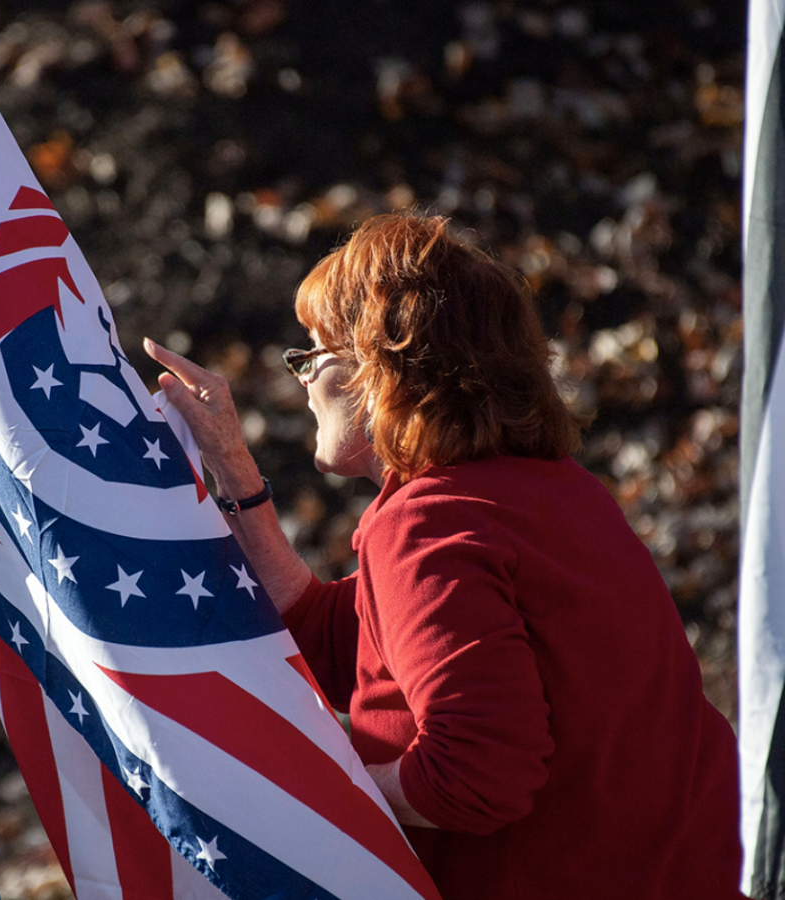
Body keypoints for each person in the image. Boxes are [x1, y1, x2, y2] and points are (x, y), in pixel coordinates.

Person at [145, 213, 742, 899]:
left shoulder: (427, 525)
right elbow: (339, 647)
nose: (303, 380)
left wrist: (309, 801)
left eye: (313, 354)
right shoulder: (555, 491)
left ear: (380, 364)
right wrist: (234, 472)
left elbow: (477, 777)